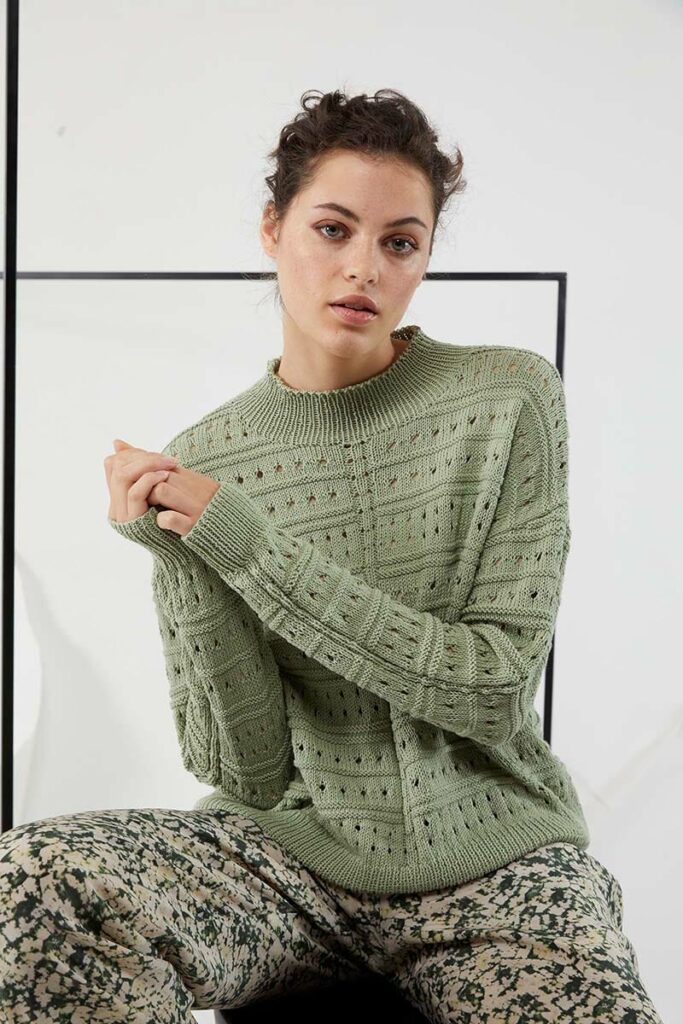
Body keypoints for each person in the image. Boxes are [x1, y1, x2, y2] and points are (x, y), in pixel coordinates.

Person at [0, 88, 663, 1024]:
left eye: (400, 242)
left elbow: (490, 687)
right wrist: (179, 557)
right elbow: (246, 769)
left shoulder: (509, 396)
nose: (363, 267)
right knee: (32, 882)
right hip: (287, 861)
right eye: (332, 229)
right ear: (272, 229)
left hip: (498, 861)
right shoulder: (209, 456)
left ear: (424, 258)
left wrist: (247, 545)